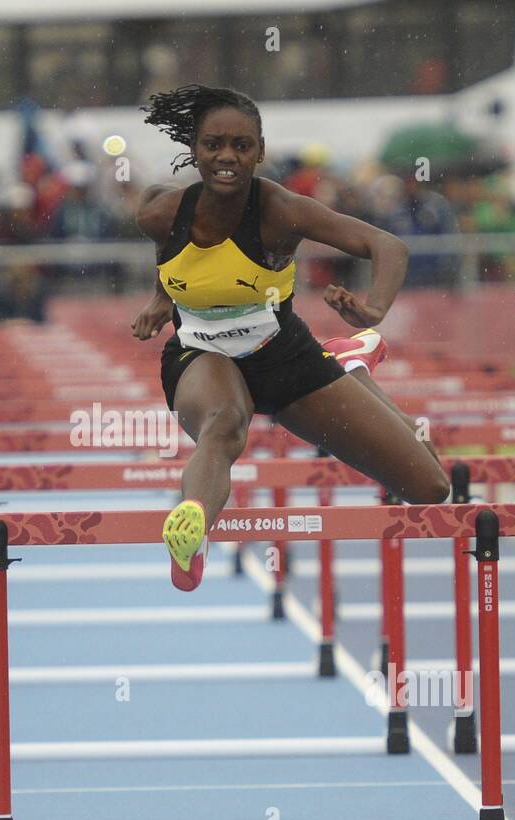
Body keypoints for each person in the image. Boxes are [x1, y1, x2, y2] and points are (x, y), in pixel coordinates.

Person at [132, 85, 448, 590]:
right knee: (224, 424)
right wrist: (161, 300)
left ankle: (348, 366)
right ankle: (192, 530)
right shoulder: (159, 213)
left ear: (260, 151)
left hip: (282, 354)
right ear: (194, 149)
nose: (227, 158)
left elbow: (386, 245)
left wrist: (373, 311)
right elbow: (174, 261)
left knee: (430, 486)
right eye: (214, 145)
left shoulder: (281, 211)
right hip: (199, 351)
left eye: (241, 146)